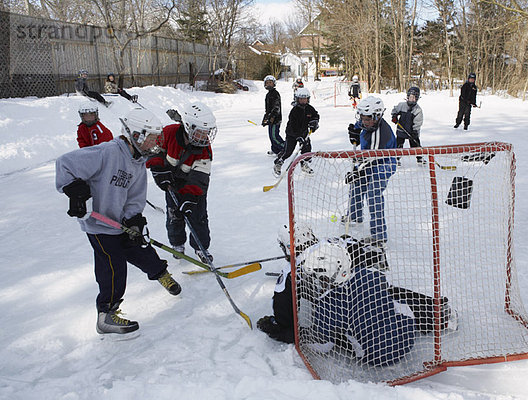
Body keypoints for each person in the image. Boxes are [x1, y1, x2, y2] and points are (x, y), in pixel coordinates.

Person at [55, 108, 182, 336]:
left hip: (118, 222)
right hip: (98, 224)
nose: (155, 142)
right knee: (113, 265)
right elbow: (65, 163)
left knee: (139, 246)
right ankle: (106, 314)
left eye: (156, 137)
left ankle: (159, 272)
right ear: (135, 135)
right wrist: (76, 191)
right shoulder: (108, 152)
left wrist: (133, 218)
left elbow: (135, 196)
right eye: (151, 137)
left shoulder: (138, 161)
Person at [257, 227, 457, 367]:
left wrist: (280, 329)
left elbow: (286, 313)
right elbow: (364, 251)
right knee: (389, 295)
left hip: (373, 352)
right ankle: (437, 315)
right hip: (373, 297)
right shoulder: (332, 243)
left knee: (336, 327)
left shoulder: (293, 272)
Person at [147, 102, 216, 263]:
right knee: (174, 216)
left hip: (194, 187)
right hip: (171, 182)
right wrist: (158, 168)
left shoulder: (204, 148)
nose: (204, 136)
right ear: (188, 127)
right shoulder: (169, 132)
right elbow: (153, 150)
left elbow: (200, 176)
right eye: (200, 132)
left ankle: (201, 248)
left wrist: (191, 197)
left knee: (197, 216)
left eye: (207, 132)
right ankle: (177, 244)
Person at [345, 96, 396, 244]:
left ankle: (379, 236)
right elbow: (359, 127)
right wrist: (354, 131)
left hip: (383, 164)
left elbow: (369, 159)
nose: (364, 122)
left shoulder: (380, 135)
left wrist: (357, 170)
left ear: (377, 116)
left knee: (373, 195)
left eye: (367, 119)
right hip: (369, 160)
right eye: (362, 118)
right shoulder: (368, 124)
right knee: (357, 185)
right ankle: (354, 216)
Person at [273, 87, 320, 176]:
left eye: (305, 99)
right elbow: (293, 125)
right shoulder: (294, 111)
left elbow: (316, 115)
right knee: (288, 151)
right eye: (301, 99)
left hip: (304, 133)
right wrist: (298, 136)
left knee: (307, 149)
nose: (303, 101)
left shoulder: (310, 109)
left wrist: (314, 122)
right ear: (297, 99)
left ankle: (304, 164)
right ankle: (278, 163)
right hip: (292, 134)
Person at [391, 86, 424, 163]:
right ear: (407, 96)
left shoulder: (417, 110)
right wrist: (394, 116)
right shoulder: (402, 105)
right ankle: (397, 158)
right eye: (410, 97)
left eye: (414, 98)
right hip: (401, 129)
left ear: (417, 98)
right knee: (398, 145)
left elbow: (418, 121)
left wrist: (415, 131)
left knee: (415, 145)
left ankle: (419, 157)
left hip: (412, 132)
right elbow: (395, 110)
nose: (411, 99)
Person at [262, 75, 285, 156]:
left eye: (270, 83)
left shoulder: (275, 94)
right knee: (271, 136)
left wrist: (272, 117)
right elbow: (268, 109)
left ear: (274, 84)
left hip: (276, 119)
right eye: (267, 83)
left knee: (275, 136)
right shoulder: (268, 94)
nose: (268, 84)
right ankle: (275, 150)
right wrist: (265, 119)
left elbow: (276, 107)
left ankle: (285, 148)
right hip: (270, 119)